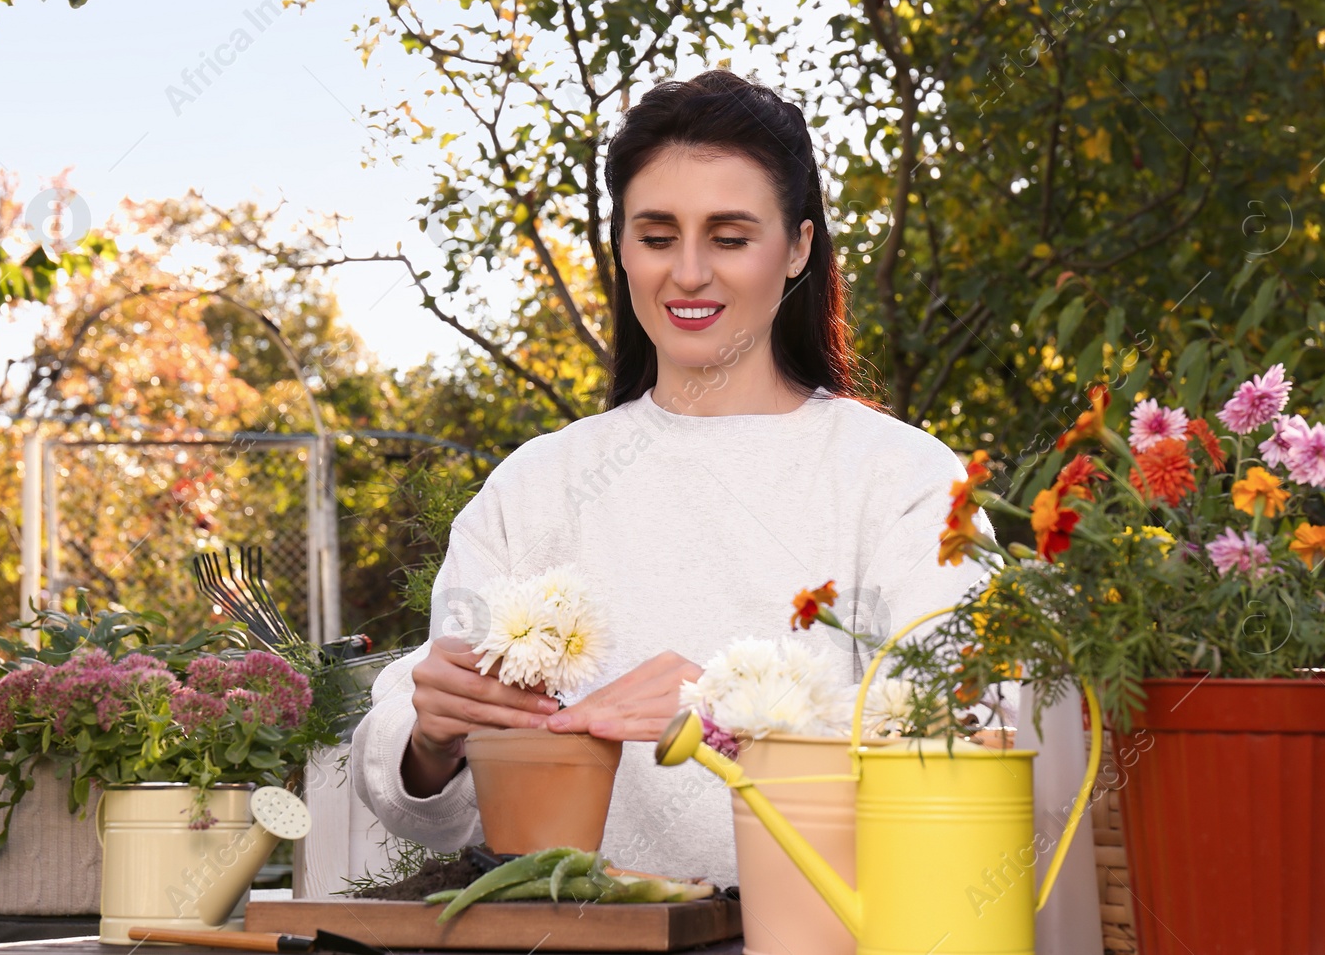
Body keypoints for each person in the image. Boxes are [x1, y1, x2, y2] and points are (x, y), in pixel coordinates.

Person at [351, 69, 998, 888]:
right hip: (577, 943)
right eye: (657, 237)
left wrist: (730, 708)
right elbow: (433, 806)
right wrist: (429, 736)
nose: (689, 273)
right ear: (622, 245)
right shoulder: (539, 486)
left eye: (730, 238)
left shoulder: (905, 480)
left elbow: (971, 738)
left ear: (798, 247)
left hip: (831, 935)